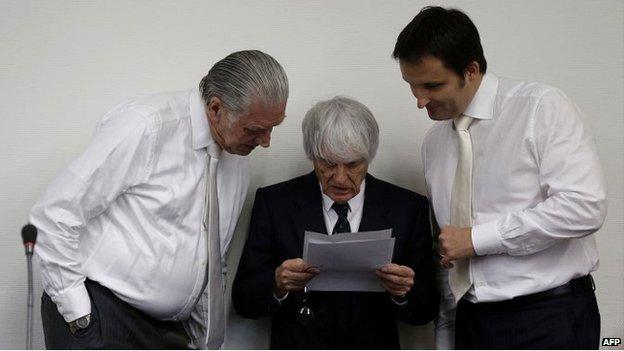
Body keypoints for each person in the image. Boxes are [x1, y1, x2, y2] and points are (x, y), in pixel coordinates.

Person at [29, 50, 289, 349]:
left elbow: (210, 259)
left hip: (166, 331)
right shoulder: (147, 126)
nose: (266, 142)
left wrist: (203, 342)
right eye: (255, 129)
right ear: (216, 109)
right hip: (102, 314)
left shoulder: (237, 155)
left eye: (272, 128)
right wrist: (80, 317)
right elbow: (54, 215)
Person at [392, 6, 607, 349]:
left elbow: (583, 208)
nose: (420, 101)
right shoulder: (434, 144)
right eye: (412, 86)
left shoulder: (541, 108)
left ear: (471, 70)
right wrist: (447, 334)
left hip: (548, 318)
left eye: (432, 85)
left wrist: (478, 239)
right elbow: (447, 249)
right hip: (472, 321)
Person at [232, 96, 439, 349]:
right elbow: (243, 301)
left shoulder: (407, 208)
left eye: (353, 164)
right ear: (312, 155)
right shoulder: (275, 204)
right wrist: (277, 283)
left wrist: (404, 291)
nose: (340, 178)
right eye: (328, 163)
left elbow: (428, 309)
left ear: (369, 156)